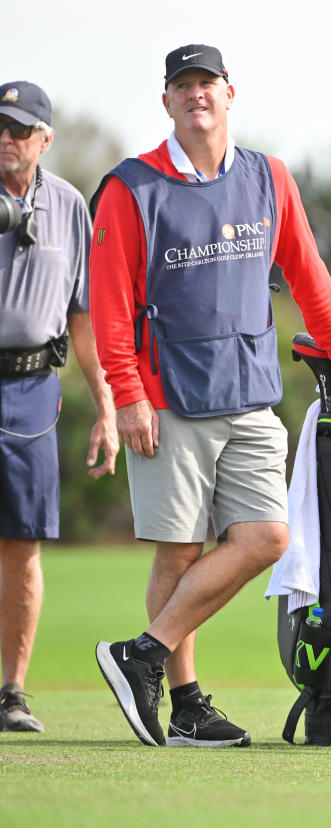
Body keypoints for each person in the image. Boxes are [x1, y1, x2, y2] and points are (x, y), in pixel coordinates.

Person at [89, 45, 331, 747]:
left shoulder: (267, 177)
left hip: (251, 394)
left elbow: (308, 277)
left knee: (265, 538)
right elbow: (107, 306)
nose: (196, 96)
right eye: (182, 87)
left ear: (230, 93)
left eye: (206, 84)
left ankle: (143, 654)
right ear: (166, 103)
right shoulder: (131, 187)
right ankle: (185, 704)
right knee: (177, 554)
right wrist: (127, 395)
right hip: (167, 399)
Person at [0, 81, 118, 733]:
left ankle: (11, 692)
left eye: (19, 129)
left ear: (45, 139)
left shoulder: (72, 206)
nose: (6, 139)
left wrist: (106, 406)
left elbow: (84, 319)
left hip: (31, 392)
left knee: (22, 543)